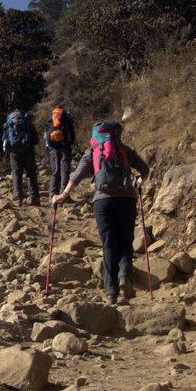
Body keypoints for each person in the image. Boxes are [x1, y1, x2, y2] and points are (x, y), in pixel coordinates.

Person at [52, 120, 150, 305]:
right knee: (125, 240)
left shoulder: (93, 153)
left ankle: (111, 292)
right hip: (127, 200)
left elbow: (77, 175)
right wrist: (138, 182)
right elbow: (144, 170)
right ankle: (124, 276)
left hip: (102, 201)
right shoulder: (125, 150)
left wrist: (63, 195)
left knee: (108, 244)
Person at [2, 106, 40, 206]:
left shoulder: (9, 123)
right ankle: (34, 198)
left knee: (16, 174)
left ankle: (18, 198)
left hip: (14, 154)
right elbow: (36, 140)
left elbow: (4, 139)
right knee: (31, 174)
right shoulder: (27, 122)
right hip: (28, 152)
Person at [44, 103, 76, 199]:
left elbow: (46, 135)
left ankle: (52, 194)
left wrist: (48, 147)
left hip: (53, 148)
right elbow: (72, 136)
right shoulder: (67, 118)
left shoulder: (51, 119)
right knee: (65, 171)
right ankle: (64, 195)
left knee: (55, 171)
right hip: (65, 147)